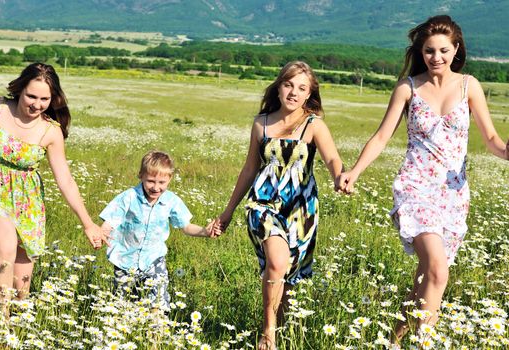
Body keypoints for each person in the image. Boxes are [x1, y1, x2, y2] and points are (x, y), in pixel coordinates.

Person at [338, 15, 509, 343]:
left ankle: (393, 340)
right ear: (421, 51)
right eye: (429, 51)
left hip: (454, 196)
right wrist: (354, 172)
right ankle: (423, 342)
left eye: (444, 50)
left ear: (456, 49)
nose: (436, 57)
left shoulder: (469, 86)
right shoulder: (408, 87)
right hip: (415, 188)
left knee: (426, 278)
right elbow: (380, 138)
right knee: (438, 271)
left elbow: (492, 139)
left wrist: (506, 151)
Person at [212, 61, 343, 349]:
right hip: (263, 204)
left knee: (288, 276)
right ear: (279, 86)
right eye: (288, 85)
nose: (293, 93)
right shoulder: (262, 123)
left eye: (301, 88)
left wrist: (339, 176)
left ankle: (279, 332)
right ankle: (268, 331)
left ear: (309, 94)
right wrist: (229, 210)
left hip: (301, 209)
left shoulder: (314, 125)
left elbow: (332, 158)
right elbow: (249, 169)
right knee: (277, 262)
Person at [0, 63, 105, 309]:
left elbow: (65, 180)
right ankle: (0, 327)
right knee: (4, 240)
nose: (37, 105)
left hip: (27, 205)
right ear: (20, 89)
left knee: (21, 288)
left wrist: (88, 223)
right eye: (31, 96)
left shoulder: (50, 131)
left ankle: (11, 325)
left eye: (44, 99)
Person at [100, 150, 218, 312]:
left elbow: (186, 226)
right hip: (125, 259)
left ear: (169, 179)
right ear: (140, 176)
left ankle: (157, 330)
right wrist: (102, 234)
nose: (156, 187)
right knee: (122, 301)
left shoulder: (171, 201)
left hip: (154, 259)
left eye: (161, 182)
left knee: (158, 300)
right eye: (150, 181)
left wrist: (205, 231)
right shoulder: (128, 197)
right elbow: (110, 221)